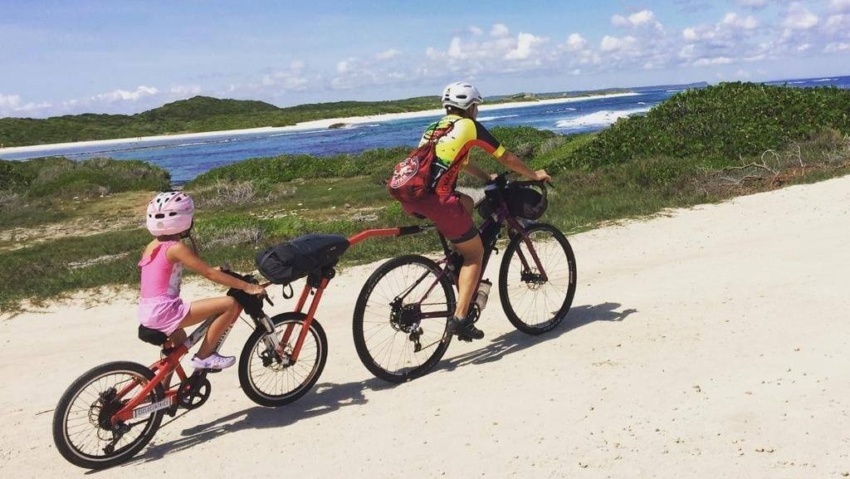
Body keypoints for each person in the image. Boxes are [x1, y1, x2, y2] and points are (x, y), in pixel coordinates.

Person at [398, 81, 551, 341]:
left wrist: (485, 176)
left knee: (467, 205)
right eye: (476, 107)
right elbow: (506, 157)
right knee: (475, 254)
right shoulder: (470, 126)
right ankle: (460, 318)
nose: (476, 111)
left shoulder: (436, 127)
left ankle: (456, 263)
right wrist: (534, 174)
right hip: (440, 201)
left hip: (413, 198)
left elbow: (461, 162)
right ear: (470, 107)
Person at [138, 191, 266, 369]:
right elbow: (209, 274)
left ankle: (160, 392)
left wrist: (213, 270)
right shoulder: (175, 248)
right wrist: (246, 286)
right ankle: (204, 356)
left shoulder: (153, 245)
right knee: (229, 304)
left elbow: (192, 269)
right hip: (165, 311)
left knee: (178, 347)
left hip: (147, 311)